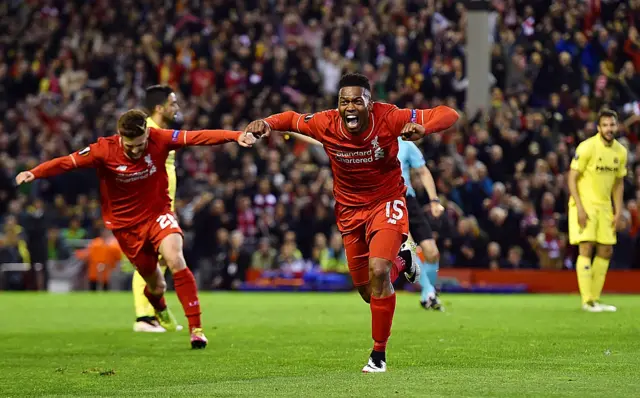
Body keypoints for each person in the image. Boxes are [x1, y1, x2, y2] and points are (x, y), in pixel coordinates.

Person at [245, 73, 458, 372]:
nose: (349, 107)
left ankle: (378, 355)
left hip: (387, 201)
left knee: (378, 269)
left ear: (370, 104)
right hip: (349, 211)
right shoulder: (325, 122)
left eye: (357, 101)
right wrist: (265, 123)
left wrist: (425, 127)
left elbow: (449, 113)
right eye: (344, 101)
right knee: (368, 291)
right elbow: (291, 119)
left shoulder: (390, 117)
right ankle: (403, 259)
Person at [15, 109, 257, 348]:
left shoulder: (159, 138)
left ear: (146, 134)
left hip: (158, 214)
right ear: (120, 136)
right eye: (129, 145)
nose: (135, 150)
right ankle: (158, 304)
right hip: (126, 227)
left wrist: (235, 136)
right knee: (156, 285)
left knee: (175, 258)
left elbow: (197, 137)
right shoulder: (103, 149)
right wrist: (34, 173)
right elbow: (67, 162)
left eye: (139, 144)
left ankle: (196, 330)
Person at [131, 85, 182, 333]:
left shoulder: (162, 132)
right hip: (149, 208)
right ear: (159, 108)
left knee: (160, 261)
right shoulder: (147, 133)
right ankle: (143, 318)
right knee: (148, 261)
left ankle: (151, 313)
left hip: (164, 206)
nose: (177, 107)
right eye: (173, 103)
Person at [568, 109, 627, 313]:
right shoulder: (587, 147)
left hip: (604, 206)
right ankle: (586, 301)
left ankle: (594, 299)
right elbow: (571, 178)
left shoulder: (621, 152)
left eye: (612, 125)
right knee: (586, 247)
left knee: (606, 250)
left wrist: (618, 211)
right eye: (605, 125)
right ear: (598, 127)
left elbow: (618, 184)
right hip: (584, 204)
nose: (609, 129)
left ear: (616, 126)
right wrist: (579, 207)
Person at [396, 138, 446, 311]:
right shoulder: (373, 142)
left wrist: (434, 200)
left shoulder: (406, 145)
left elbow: (423, 171)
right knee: (408, 248)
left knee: (432, 253)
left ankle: (429, 293)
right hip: (389, 202)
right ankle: (429, 293)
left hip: (409, 200)